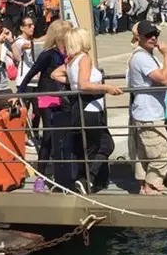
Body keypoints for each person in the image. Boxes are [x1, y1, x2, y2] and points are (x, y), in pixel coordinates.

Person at [51, 27, 121, 193]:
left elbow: (54, 74)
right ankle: (87, 180)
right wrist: (106, 87)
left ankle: (88, 181)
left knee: (90, 148)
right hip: (90, 108)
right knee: (106, 145)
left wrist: (71, 82)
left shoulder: (70, 61)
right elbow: (84, 84)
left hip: (79, 108)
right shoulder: (83, 58)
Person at [19, 20, 72, 192]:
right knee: (49, 133)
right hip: (47, 94)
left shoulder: (71, 53)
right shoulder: (49, 54)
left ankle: (63, 172)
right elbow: (31, 73)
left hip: (64, 95)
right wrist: (20, 93)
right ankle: (41, 176)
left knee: (65, 133)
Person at [126, 21, 167, 194]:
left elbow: (161, 78)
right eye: (148, 35)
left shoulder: (146, 55)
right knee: (162, 153)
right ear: (139, 37)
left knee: (144, 153)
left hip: (147, 110)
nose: (153, 38)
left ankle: (143, 185)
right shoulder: (142, 57)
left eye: (155, 34)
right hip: (148, 113)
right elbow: (161, 77)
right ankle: (151, 186)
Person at [12, 15, 38, 147]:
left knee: (38, 110)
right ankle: (24, 135)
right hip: (25, 81)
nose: (32, 27)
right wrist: (50, 37)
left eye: (33, 25)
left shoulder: (32, 39)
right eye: (29, 25)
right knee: (24, 110)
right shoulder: (19, 41)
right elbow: (27, 46)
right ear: (22, 28)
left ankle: (34, 133)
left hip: (37, 81)